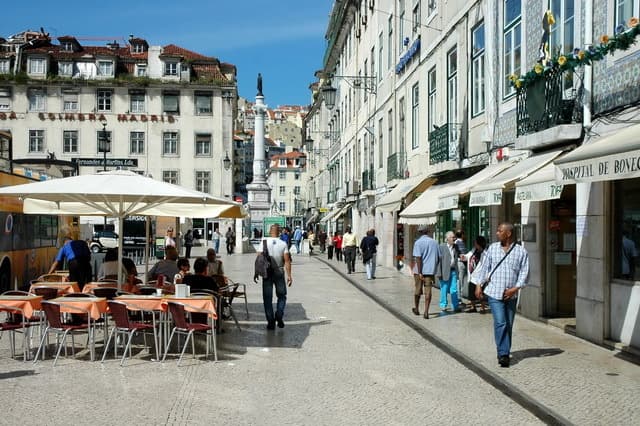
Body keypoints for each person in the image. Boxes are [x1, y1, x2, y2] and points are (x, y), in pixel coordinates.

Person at [474, 222, 529, 368]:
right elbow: (484, 268)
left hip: (511, 295)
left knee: (508, 324)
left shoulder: (520, 251)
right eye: (498, 231)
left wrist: (515, 289)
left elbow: (524, 272)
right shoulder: (492, 249)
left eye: (500, 231)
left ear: (508, 233)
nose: (497, 233)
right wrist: (479, 285)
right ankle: (503, 353)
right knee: (501, 322)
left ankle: (504, 350)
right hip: (494, 292)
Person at [255, 224, 292, 330]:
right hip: (279, 272)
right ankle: (279, 314)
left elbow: (259, 259)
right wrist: (289, 276)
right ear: (279, 232)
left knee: (267, 298)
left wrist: (257, 273)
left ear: (270, 232)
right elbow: (287, 260)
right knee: (282, 296)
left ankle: (271, 322)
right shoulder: (283, 243)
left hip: (267, 273)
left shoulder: (264, 242)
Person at [412, 225, 440, 319]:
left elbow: (418, 258)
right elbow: (439, 257)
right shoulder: (435, 242)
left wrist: (420, 272)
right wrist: (434, 267)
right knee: (428, 291)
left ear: (420, 232)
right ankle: (426, 312)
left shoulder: (418, 243)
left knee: (418, 290)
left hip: (419, 270)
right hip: (430, 270)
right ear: (427, 232)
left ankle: (416, 308)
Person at [437, 231, 461, 313]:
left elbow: (459, 255)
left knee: (454, 289)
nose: (454, 239)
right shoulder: (441, 247)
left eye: (454, 237)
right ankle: (443, 305)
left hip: (453, 271)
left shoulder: (456, 247)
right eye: (452, 237)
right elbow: (439, 261)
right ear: (447, 239)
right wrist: (439, 273)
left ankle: (455, 306)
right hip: (444, 271)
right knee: (444, 289)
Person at [465, 236, 488, 313]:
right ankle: (473, 306)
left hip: (480, 275)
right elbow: (468, 256)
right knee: (471, 292)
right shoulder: (474, 251)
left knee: (481, 292)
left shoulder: (485, 253)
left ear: (479, 243)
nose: (474, 244)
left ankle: (482, 307)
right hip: (472, 275)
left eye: (475, 243)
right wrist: (463, 257)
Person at [454, 229, 469, 299]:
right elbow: (460, 254)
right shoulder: (458, 243)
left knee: (460, 279)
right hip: (461, 262)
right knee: (460, 279)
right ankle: (459, 296)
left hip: (461, 262)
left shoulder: (459, 242)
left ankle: (459, 295)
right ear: (462, 235)